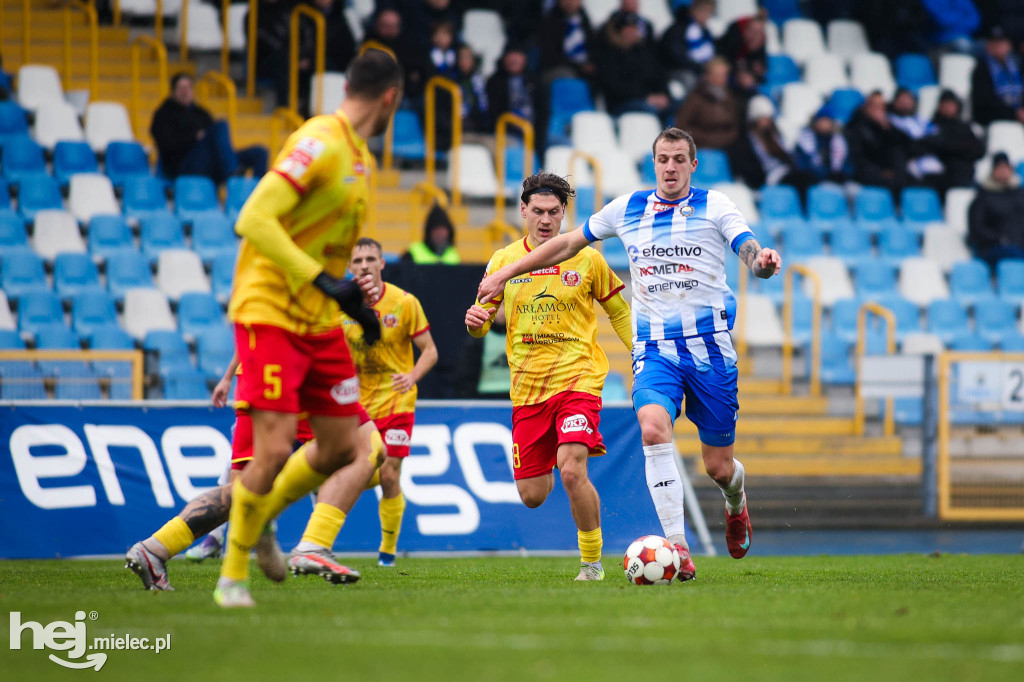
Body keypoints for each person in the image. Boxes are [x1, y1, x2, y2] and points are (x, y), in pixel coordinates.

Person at [478, 128, 783, 579]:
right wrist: (506, 275)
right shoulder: (628, 208)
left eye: (680, 159)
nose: (671, 167)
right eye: (664, 158)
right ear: (653, 162)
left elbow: (745, 246)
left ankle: (735, 501)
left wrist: (760, 262)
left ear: (692, 165)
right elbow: (563, 245)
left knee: (718, 467)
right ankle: (678, 548)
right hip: (655, 351)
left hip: (710, 351)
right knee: (653, 429)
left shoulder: (716, 204)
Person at [214, 50, 402, 608]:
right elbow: (252, 219)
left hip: (318, 319)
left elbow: (322, 243)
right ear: (391, 98)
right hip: (271, 310)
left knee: (347, 447)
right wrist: (324, 281)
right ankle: (232, 576)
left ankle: (261, 513)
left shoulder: (362, 158)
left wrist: (353, 306)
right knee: (269, 453)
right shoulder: (320, 139)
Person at [466, 172, 633, 581]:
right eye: (537, 211)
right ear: (523, 211)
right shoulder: (504, 262)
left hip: (579, 379)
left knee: (573, 469)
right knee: (533, 496)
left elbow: (620, 312)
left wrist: (642, 356)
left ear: (564, 213)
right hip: (527, 390)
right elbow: (481, 323)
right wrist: (474, 323)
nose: (545, 220)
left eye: (554, 212)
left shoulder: (588, 258)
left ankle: (591, 564)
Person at [124, 355, 366, 589]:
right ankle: (302, 543)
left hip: (272, 377)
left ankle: (157, 548)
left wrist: (228, 376)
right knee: (360, 450)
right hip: (285, 379)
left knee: (245, 490)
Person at [288, 236, 438, 571]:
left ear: (382, 263)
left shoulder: (404, 302)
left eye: (371, 259)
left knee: (388, 474)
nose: (364, 265)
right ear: (349, 267)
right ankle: (318, 543)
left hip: (396, 401)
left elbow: (430, 350)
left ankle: (387, 551)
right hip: (356, 404)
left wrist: (412, 376)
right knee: (350, 468)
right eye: (357, 261)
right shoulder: (337, 305)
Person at [150, 73, 268, 183]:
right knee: (221, 126)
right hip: (184, 164)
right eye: (181, 88)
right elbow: (166, 146)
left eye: (188, 87)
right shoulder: (163, 114)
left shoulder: (201, 113)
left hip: (211, 162)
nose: (185, 92)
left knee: (260, 152)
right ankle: (232, 174)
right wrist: (194, 138)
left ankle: (257, 194)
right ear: (173, 91)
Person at [728, 95, 817, 202]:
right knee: (800, 181)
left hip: (783, 172)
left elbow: (787, 155)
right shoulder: (746, 141)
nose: (766, 122)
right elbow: (746, 167)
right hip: (767, 177)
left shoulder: (775, 136)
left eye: (768, 118)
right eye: (762, 118)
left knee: (808, 177)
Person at [592, 11, 671, 118]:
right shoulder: (609, 55)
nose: (631, 32)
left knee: (676, 108)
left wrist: (663, 95)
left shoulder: (644, 53)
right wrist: (646, 97)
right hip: (622, 104)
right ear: (619, 31)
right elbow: (614, 86)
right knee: (647, 110)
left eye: (634, 28)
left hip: (649, 100)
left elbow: (659, 75)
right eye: (627, 28)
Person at [844, 90, 912, 193]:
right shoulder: (855, 127)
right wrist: (880, 172)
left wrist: (887, 128)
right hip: (866, 172)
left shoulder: (887, 127)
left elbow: (905, 144)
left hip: (888, 171)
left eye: (882, 107)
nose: (879, 110)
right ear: (866, 107)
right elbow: (859, 157)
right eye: (875, 106)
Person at [967, 151, 1024, 268]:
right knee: (1014, 255)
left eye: (1006, 168)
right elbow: (976, 229)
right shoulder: (983, 197)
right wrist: (1000, 239)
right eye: (1000, 168)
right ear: (993, 170)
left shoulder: (1019, 193)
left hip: (1019, 244)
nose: (1003, 172)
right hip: (993, 247)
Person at [672, 57, 740, 151]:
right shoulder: (695, 98)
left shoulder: (729, 97)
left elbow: (734, 126)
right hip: (700, 148)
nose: (723, 79)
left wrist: (723, 139)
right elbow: (682, 126)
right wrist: (708, 139)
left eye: (724, 75)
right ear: (708, 76)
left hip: (727, 147)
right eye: (718, 75)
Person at [925, 89, 985, 193]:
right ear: (939, 106)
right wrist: (962, 147)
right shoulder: (933, 126)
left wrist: (954, 147)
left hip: (967, 175)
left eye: (951, 104)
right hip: (942, 178)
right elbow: (937, 147)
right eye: (946, 104)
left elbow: (979, 151)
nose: (949, 108)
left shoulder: (965, 127)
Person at [971, 26, 1024, 126]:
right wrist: (1014, 113)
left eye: (1001, 43)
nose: (998, 47)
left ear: (1009, 45)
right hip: (994, 121)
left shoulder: (1018, 66)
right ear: (988, 46)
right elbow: (983, 102)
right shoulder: (981, 69)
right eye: (994, 43)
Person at [659, 0, 717, 90]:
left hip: (701, 70)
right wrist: (701, 68)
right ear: (693, 11)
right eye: (702, 11)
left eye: (708, 12)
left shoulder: (706, 32)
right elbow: (676, 56)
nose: (705, 16)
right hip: (677, 71)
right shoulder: (678, 29)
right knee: (690, 79)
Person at [793, 105, 853, 185]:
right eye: (821, 120)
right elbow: (802, 165)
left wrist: (842, 175)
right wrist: (824, 174)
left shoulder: (840, 142)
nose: (824, 124)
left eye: (827, 121)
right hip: (815, 181)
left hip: (839, 181)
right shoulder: (804, 142)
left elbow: (848, 165)